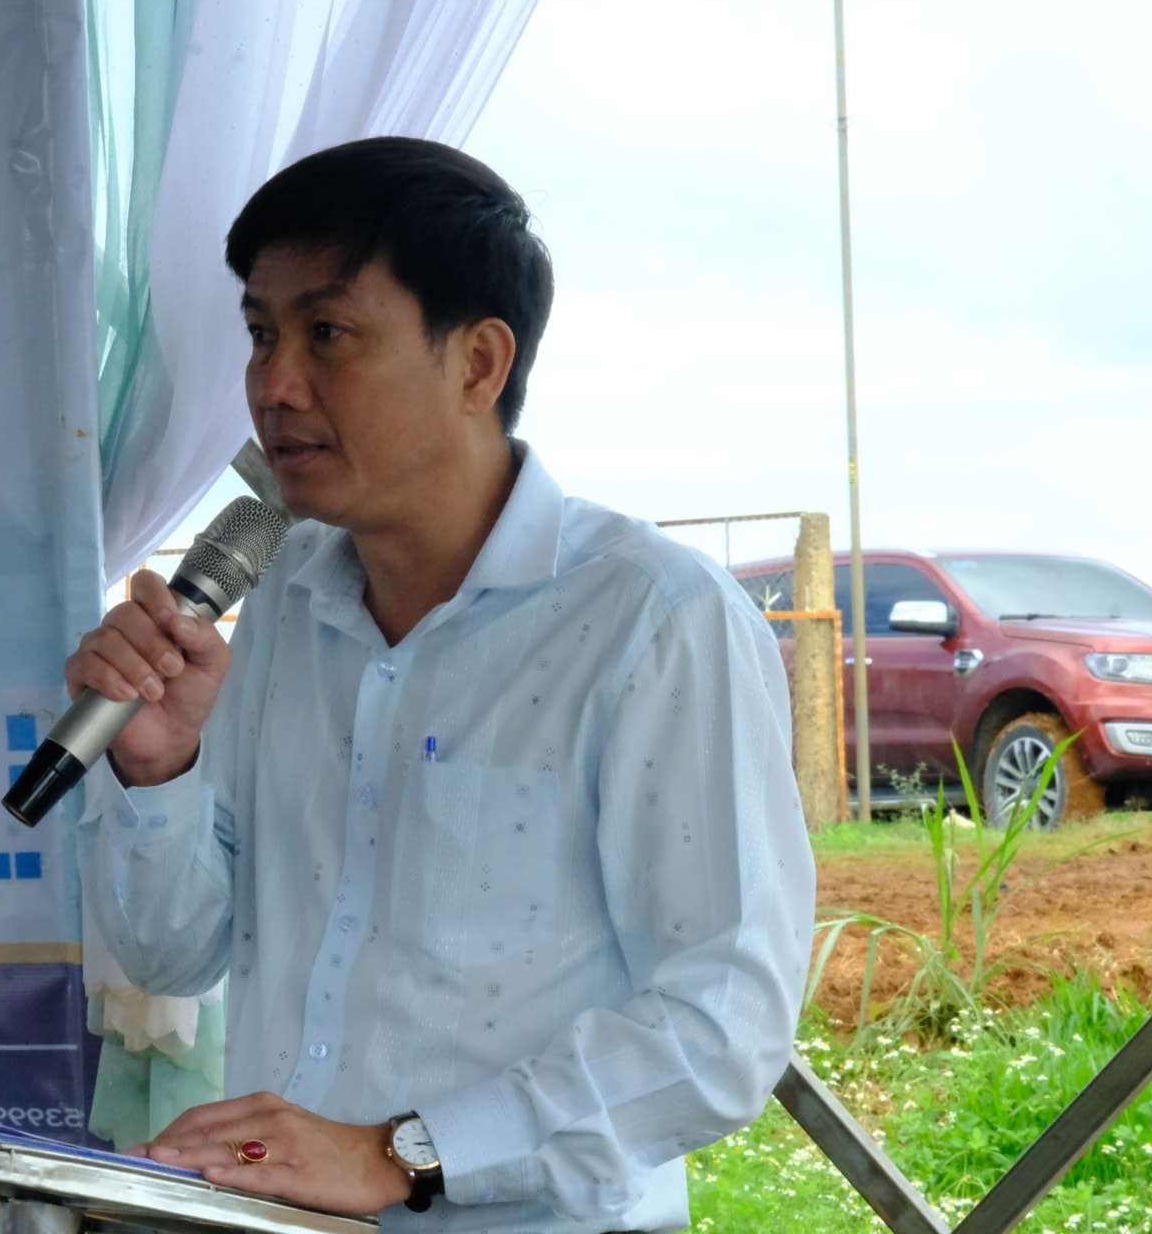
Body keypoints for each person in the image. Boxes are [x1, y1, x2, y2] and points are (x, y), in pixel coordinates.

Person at [71, 137, 815, 1233]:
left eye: (328, 334)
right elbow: (173, 949)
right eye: (262, 335)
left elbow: (722, 1022)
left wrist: (404, 1152)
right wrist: (160, 769)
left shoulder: (653, 621)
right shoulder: (283, 600)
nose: (275, 387)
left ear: (478, 363)